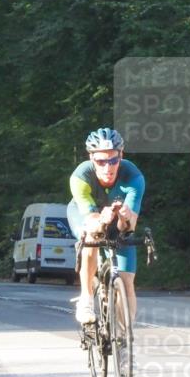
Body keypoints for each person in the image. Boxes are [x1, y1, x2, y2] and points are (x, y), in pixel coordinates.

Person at [67, 127, 145, 324]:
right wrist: (102, 219)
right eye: (101, 161)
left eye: (113, 160)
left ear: (121, 156)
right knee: (91, 236)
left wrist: (124, 217)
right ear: (91, 158)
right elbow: (93, 221)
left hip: (117, 220)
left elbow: (130, 226)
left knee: (127, 282)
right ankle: (86, 298)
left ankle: (123, 338)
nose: (107, 167)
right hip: (85, 215)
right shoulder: (80, 177)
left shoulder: (134, 177)